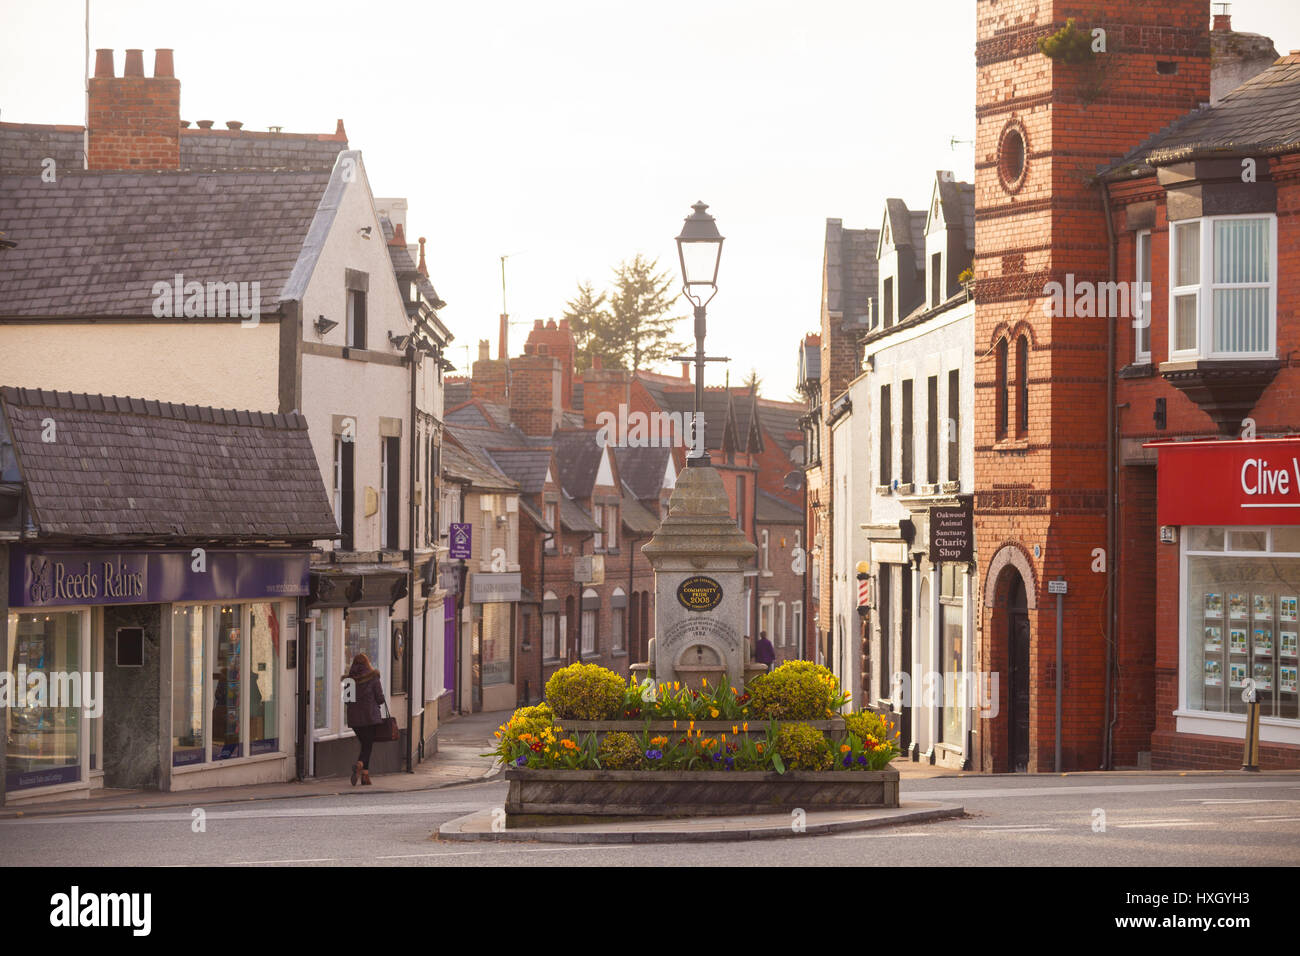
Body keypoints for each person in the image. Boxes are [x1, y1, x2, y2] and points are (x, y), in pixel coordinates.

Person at [342, 652, 386, 786]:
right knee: (367, 746)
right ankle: (359, 764)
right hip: (370, 718)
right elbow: (379, 698)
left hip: (355, 720)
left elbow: (347, 701)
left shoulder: (349, 681)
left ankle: (365, 777)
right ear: (367, 663)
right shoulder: (373, 677)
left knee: (365, 745)